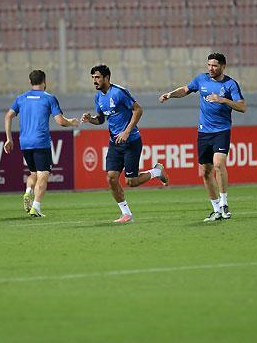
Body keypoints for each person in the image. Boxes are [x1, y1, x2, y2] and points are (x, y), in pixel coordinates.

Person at [159, 53, 246, 222]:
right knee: (205, 172)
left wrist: (222, 100)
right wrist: (170, 94)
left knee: (219, 164)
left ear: (223, 66)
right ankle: (216, 210)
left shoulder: (230, 84)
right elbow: (185, 89)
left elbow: (242, 107)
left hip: (221, 131)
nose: (211, 68)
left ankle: (224, 204)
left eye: (214, 65)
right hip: (204, 132)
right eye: (209, 65)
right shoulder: (201, 79)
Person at [80, 64, 169, 223]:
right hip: (115, 143)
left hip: (131, 142)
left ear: (106, 78)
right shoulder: (98, 97)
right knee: (111, 178)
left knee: (131, 182)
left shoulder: (119, 92)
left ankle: (157, 171)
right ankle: (126, 214)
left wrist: (127, 131)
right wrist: (90, 119)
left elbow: (138, 110)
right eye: (93, 77)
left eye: (97, 77)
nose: (94, 80)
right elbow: (101, 119)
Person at [4, 69, 79, 217]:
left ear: (30, 82)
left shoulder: (21, 98)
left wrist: (8, 138)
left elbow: (8, 116)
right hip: (40, 141)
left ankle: (28, 192)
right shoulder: (49, 98)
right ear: (44, 81)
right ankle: (36, 207)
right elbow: (60, 121)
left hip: (25, 142)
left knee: (33, 173)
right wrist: (72, 122)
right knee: (43, 175)